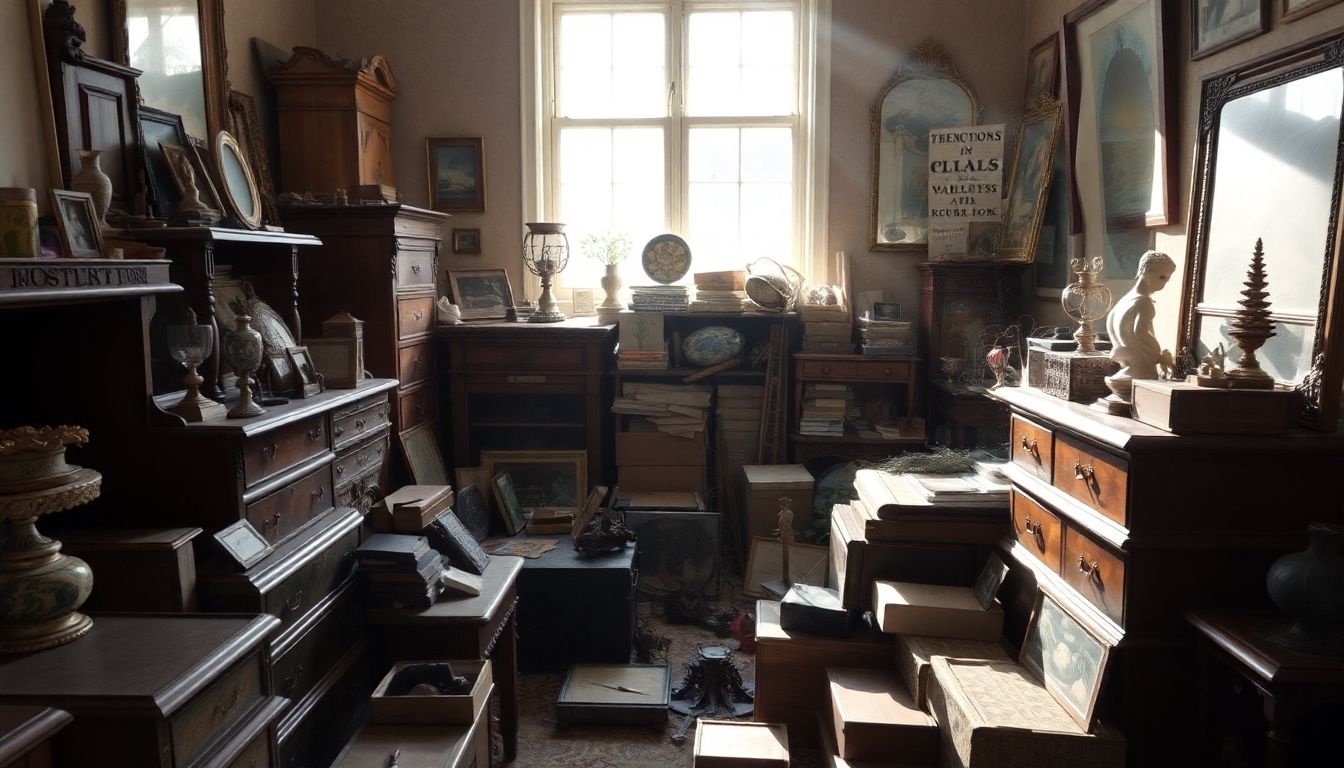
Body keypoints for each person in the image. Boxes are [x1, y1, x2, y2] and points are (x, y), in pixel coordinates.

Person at [1106, 250, 1176, 382]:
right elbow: (1141, 334)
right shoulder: (1144, 302)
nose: (1164, 284)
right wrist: (1159, 356)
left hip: (1126, 369)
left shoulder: (1123, 301)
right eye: (1162, 277)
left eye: (1167, 279)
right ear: (1145, 271)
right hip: (1141, 373)